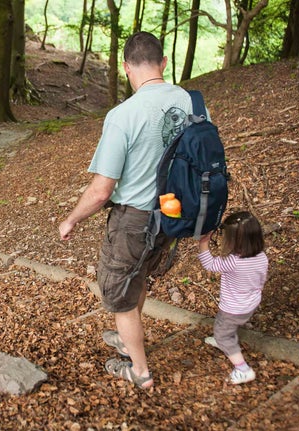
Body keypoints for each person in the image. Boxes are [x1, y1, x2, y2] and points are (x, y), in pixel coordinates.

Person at [58, 31, 198, 390]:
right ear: (163, 63)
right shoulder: (191, 102)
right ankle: (127, 339)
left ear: (125, 68)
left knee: (119, 294)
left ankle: (139, 371)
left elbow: (102, 189)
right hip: (173, 211)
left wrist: (72, 218)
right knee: (138, 278)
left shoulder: (124, 115)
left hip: (134, 218)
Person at [198, 211, 268, 384]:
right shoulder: (262, 257)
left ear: (233, 241)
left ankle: (243, 369)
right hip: (250, 303)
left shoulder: (233, 262)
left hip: (232, 308)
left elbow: (210, 264)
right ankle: (224, 338)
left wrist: (203, 243)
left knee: (223, 333)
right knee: (226, 326)